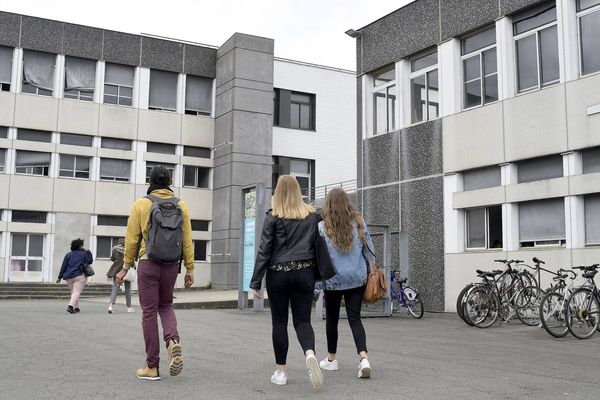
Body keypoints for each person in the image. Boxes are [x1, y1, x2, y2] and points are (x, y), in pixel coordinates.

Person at [115, 165, 194, 381]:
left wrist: (124, 268)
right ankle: (172, 341)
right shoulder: (182, 205)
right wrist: (190, 268)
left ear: (150, 182)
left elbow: (131, 240)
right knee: (166, 305)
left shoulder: (141, 204)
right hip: (171, 265)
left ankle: (152, 366)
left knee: (149, 312)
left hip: (148, 263)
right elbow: (187, 239)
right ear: (169, 182)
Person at [250, 175, 324, 389]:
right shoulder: (312, 217)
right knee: (303, 321)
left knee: (279, 322)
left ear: (278, 193)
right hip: (305, 273)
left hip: (278, 274)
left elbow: (265, 250)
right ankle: (310, 354)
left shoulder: (273, 216)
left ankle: (281, 372)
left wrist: (256, 281)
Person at [317, 188, 374, 379]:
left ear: (329, 205)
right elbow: (369, 253)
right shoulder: (359, 223)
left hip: (333, 280)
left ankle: (332, 360)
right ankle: (363, 358)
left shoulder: (322, 227)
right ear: (347, 203)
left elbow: (320, 258)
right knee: (354, 319)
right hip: (356, 279)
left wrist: (316, 285)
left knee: (332, 320)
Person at [57, 238, 93, 314]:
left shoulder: (68, 254)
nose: (83, 246)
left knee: (74, 292)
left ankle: (76, 308)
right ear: (80, 246)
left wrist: (59, 277)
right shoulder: (84, 254)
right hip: (79, 275)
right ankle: (70, 306)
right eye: (82, 245)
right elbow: (90, 261)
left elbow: (63, 266)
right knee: (76, 292)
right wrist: (89, 252)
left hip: (68, 276)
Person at [106, 237, 134, 314]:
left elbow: (112, 259)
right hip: (126, 271)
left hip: (117, 271)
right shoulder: (128, 250)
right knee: (127, 290)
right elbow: (132, 262)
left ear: (119, 243)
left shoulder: (115, 249)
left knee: (115, 288)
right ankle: (129, 307)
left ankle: (111, 306)